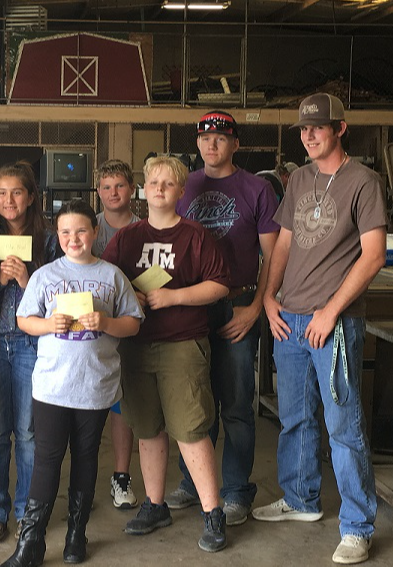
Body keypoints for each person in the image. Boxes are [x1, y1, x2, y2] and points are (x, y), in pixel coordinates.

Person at [252, 93, 387, 565]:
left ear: (340, 129)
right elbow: (283, 247)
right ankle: (302, 499)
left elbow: (373, 256)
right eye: (304, 130)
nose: (309, 136)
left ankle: (357, 526)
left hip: (335, 323)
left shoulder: (362, 182)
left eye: (318, 128)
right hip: (290, 318)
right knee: (295, 417)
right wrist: (270, 297)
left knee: (343, 426)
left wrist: (330, 311)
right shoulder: (300, 180)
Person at [1, 200, 143, 567]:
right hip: (52, 385)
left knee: (85, 457)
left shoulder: (112, 276)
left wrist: (106, 323)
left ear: (94, 232)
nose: (73, 238)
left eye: (81, 230)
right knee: (48, 458)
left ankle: (76, 534)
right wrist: (50, 325)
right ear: (57, 236)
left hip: (95, 385)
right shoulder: (44, 275)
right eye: (65, 232)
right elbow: (24, 320)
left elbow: (133, 322)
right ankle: (30, 542)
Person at [101, 156, 231, 553]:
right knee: (147, 428)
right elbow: (105, 278)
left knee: (191, 428)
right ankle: (155, 504)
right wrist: (129, 294)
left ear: (180, 191)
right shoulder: (126, 237)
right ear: (144, 188)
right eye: (153, 182)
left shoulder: (195, 236)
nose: (159, 188)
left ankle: (213, 512)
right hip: (136, 346)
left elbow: (220, 284)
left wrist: (174, 296)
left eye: (168, 184)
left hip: (182, 344)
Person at [164, 111, 279, 527]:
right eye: (205, 137)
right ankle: (193, 482)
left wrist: (256, 307)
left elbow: (274, 254)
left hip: (237, 304)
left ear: (235, 144)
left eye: (221, 138)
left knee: (234, 403)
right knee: (193, 400)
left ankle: (234, 490)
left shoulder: (257, 189)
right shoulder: (184, 185)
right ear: (197, 143)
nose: (212, 145)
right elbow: (165, 236)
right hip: (191, 307)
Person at [0, 161, 60, 543]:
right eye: (1, 193)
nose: (8, 200)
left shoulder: (48, 239)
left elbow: (58, 301)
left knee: (28, 433)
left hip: (32, 345)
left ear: (30, 197)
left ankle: (28, 510)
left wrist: (27, 279)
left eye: (16, 192)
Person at [91, 159, 141, 509]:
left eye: (119, 186)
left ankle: (121, 476)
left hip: (133, 328)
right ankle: (85, 479)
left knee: (125, 403)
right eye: (106, 187)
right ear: (98, 192)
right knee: (91, 406)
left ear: (132, 190)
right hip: (91, 332)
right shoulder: (87, 229)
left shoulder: (148, 229)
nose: (113, 193)